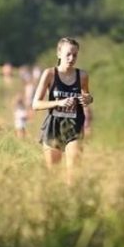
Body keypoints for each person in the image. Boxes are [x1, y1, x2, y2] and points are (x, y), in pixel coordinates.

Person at [31, 38, 93, 170]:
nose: (71, 58)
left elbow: (86, 97)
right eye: (68, 54)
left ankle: (72, 190)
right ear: (59, 54)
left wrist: (88, 99)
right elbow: (35, 104)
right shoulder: (50, 74)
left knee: (74, 171)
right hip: (53, 126)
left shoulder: (82, 76)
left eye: (75, 55)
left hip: (74, 125)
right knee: (53, 172)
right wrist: (59, 102)